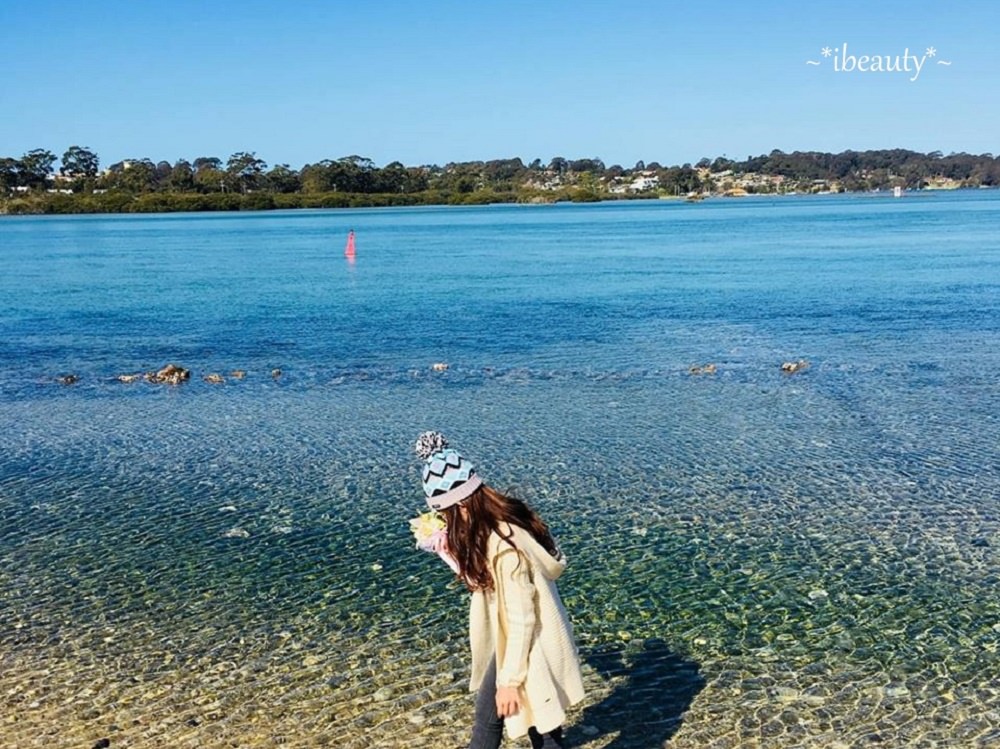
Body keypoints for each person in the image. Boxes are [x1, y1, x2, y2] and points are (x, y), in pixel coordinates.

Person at [414, 431, 585, 749]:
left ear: (463, 504)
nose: (443, 521)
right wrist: (447, 552)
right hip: (527, 640)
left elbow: (521, 617)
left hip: (527, 642)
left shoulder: (504, 545)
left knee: (495, 725)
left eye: (444, 514)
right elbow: (488, 587)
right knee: (542, 727)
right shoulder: (498, 525)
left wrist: (508, 683)